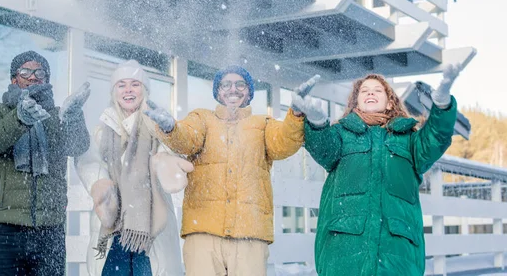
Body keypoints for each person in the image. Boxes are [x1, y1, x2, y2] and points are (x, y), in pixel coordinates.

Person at [293, 64, 463, 276]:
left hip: (396, 253)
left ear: (390, 100)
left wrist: (442, 103)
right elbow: (323, 149)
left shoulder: (410, 139)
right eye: (364, 91)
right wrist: (317, 122)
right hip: (345, 251)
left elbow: (436, 138)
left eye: (377, 90)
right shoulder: (341, 135)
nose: (370, 92)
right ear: (356, 101)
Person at [145, 65, 312, 276]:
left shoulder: (263, 124)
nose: (233, 89)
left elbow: (284, 142)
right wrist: (170, 127)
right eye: (226, 84)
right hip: (203, 230)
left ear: (249, 92)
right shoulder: (202, 119)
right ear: (217, 92)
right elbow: (186, 139)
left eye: (240, 84)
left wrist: (295, 114)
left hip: (249, 233)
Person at [0, 50, 91, 276]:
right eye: (25, 71)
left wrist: (75, 115)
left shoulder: (58, 116)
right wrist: (19, 118)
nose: (32, 76)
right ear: (13, 78)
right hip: (5, 229)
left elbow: (77, 145)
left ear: (46, 78)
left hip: (49, 230)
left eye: (39, 71)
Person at [75, 60, 190, 276]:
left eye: (135, 84)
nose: (128, 90)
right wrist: (100, 183)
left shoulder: (160, 126)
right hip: (113, 227)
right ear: (113, 91)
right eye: (122, 84)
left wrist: (168, 142)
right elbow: (88, 161)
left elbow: (178, 154)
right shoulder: (102, 130)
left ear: (144, 90)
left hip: (150, 227)